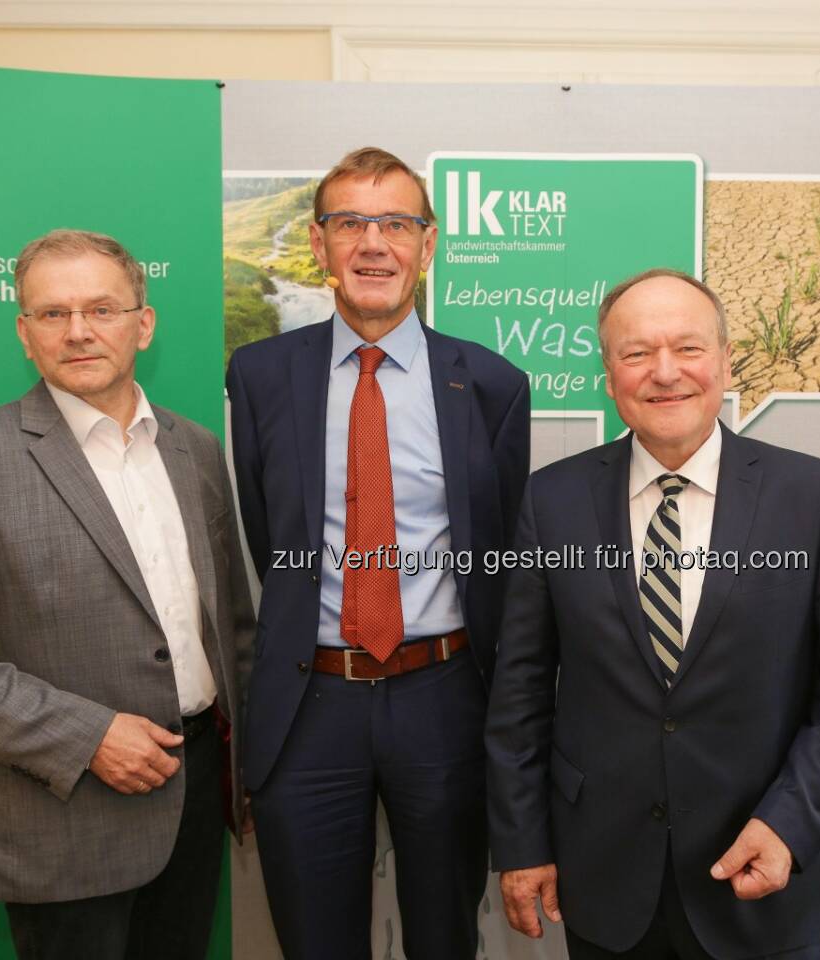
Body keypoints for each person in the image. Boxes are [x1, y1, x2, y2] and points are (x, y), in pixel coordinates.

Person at [484, 268, 820, 960]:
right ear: (609, 374)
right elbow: (520, 690)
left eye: (688, 348)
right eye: (637, 352)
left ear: (727, 360)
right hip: (605, 881)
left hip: (760, 874)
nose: (665, 372)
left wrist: (792, 823)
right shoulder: (551, 501)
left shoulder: (811, 493)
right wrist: (522, 844)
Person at [0, 228, 254, 960]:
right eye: (52, 314)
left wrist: (242, 775)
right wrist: (85, 738)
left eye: (102, 309)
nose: (78, 331)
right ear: (24, 333)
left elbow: (229, 625)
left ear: (143, 323)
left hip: (197, 798)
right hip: (65, 820)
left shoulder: (196, 449)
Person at [226, 146, 530, 959]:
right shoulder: (258, 376)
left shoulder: (494, 383)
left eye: (395, 222)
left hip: (444, 699)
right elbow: (270, 535)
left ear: (427, 246)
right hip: (310, 705)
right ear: (318, 245)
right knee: (315, 940)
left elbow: (495, 555)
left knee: (444, 937)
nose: (373, 243)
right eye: (349, 223)